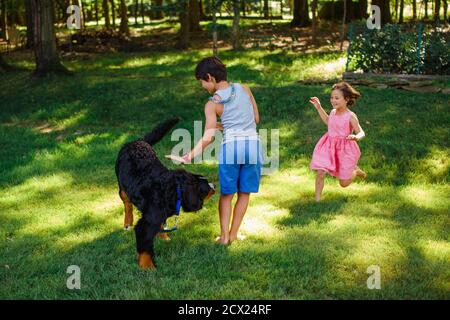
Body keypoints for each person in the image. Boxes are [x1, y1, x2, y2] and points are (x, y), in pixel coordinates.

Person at [176, 56, 263, 245]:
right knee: (244, 193)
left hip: (232, 148)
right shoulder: (244, 88)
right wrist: (227, 125)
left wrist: (190, 155)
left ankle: (224, 238)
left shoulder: (212, 104)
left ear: (210, 77)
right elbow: (255, 119)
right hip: (253, 147)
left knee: (226, 195)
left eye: (202, 82)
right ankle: (233, 234)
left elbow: (208, 137)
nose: (202, 87)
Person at [309, 81, 367, 202]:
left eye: (337, 98)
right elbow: (328, 121)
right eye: (332, 97)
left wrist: (356, 137)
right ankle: (317, 200)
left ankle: (355, 171)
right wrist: (319, 108)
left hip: (345, 149)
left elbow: (361, 132)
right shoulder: (333, 112)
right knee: (320, 171)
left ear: (346, 99)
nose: (333, 100)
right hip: (328, 146)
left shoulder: (350, 116)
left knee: (344, 183)